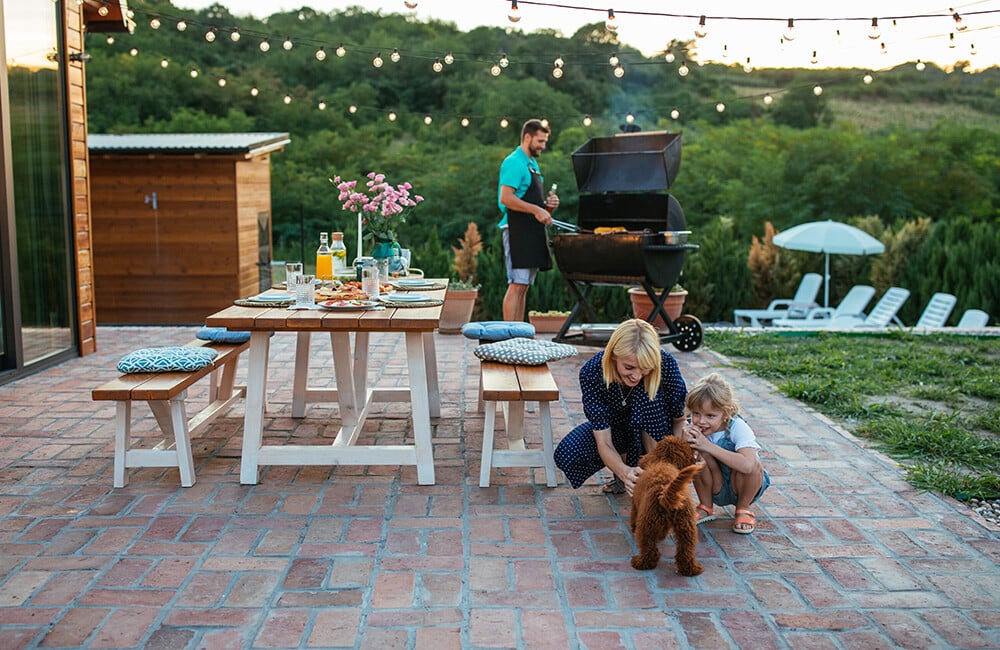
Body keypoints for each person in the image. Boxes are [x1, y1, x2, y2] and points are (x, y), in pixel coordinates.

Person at [554, 319, 688, 496]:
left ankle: (657, 475)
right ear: (614, 355)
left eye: (645, 368)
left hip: (658, 429)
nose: (637, 376)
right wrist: (624, 472)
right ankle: (627, 474)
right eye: (629, 367)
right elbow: (604, 441)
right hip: (619, 429)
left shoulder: (666, 364)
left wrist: (672, 460)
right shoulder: (592, 373)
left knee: (648, 399)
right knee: (569, 452)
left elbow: (679, 419)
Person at [681, 373, 771, 534]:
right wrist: (687, 443)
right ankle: (706, 506)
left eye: (710, 416)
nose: (701, 421)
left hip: (743, 487)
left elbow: (748, 465)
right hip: (715, 486)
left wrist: (707, 445)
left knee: (752, 463)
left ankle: (743, 509)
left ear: (726, 413)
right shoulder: (693, 429)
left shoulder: (738, 427)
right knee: (697, 458)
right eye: (696, 413)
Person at [497, 118, 560, 322]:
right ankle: (508, 338)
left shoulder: (532, 164)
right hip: (516, 230)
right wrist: (535, 209)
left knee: (523, 286)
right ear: (527, 137)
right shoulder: (514, 162)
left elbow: (531, 201)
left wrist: (548, 206)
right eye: (540, 141)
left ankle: (519, 333)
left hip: (531, 230)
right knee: (516, 284)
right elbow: (506, 198)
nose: (543, 146)